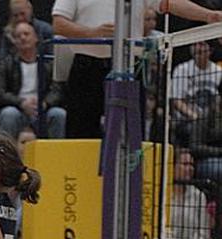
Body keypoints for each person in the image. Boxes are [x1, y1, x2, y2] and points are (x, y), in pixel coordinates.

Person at [52, 0, 222, 139]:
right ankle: (82, 178)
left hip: (130, 66)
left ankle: (131, 178)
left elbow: (170, 3)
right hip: (88, 67)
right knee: (81, 133)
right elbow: (58, 24)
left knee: (132, 133)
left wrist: (208, 15)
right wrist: (92, 33)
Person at [0, 22, 66, 140]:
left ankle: (57, 156)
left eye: (26, 34)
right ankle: (5, 156)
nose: (23, 38)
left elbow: (57, 90)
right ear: (14, 41)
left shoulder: (49, 64)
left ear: (36, 38)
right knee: (8, 114)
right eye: (18, 36)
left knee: (59, 114)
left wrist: (44, 103)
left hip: (43, 109)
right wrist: (21, 103)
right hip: (18, 108)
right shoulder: (7, 64)